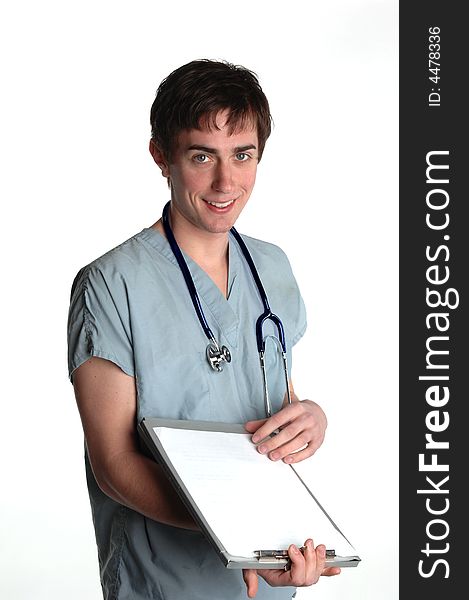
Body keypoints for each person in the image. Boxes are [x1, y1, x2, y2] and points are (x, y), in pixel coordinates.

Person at [67, 59, 341, 600]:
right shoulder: (109, 285)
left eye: (243, 155)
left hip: (268, 575)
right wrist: (240, 534)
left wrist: (311, 417)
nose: (226, 182)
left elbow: (273, 401)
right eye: (202, 156)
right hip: (165, 579)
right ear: (160, 155)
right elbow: (114, 465)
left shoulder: (273, 268)